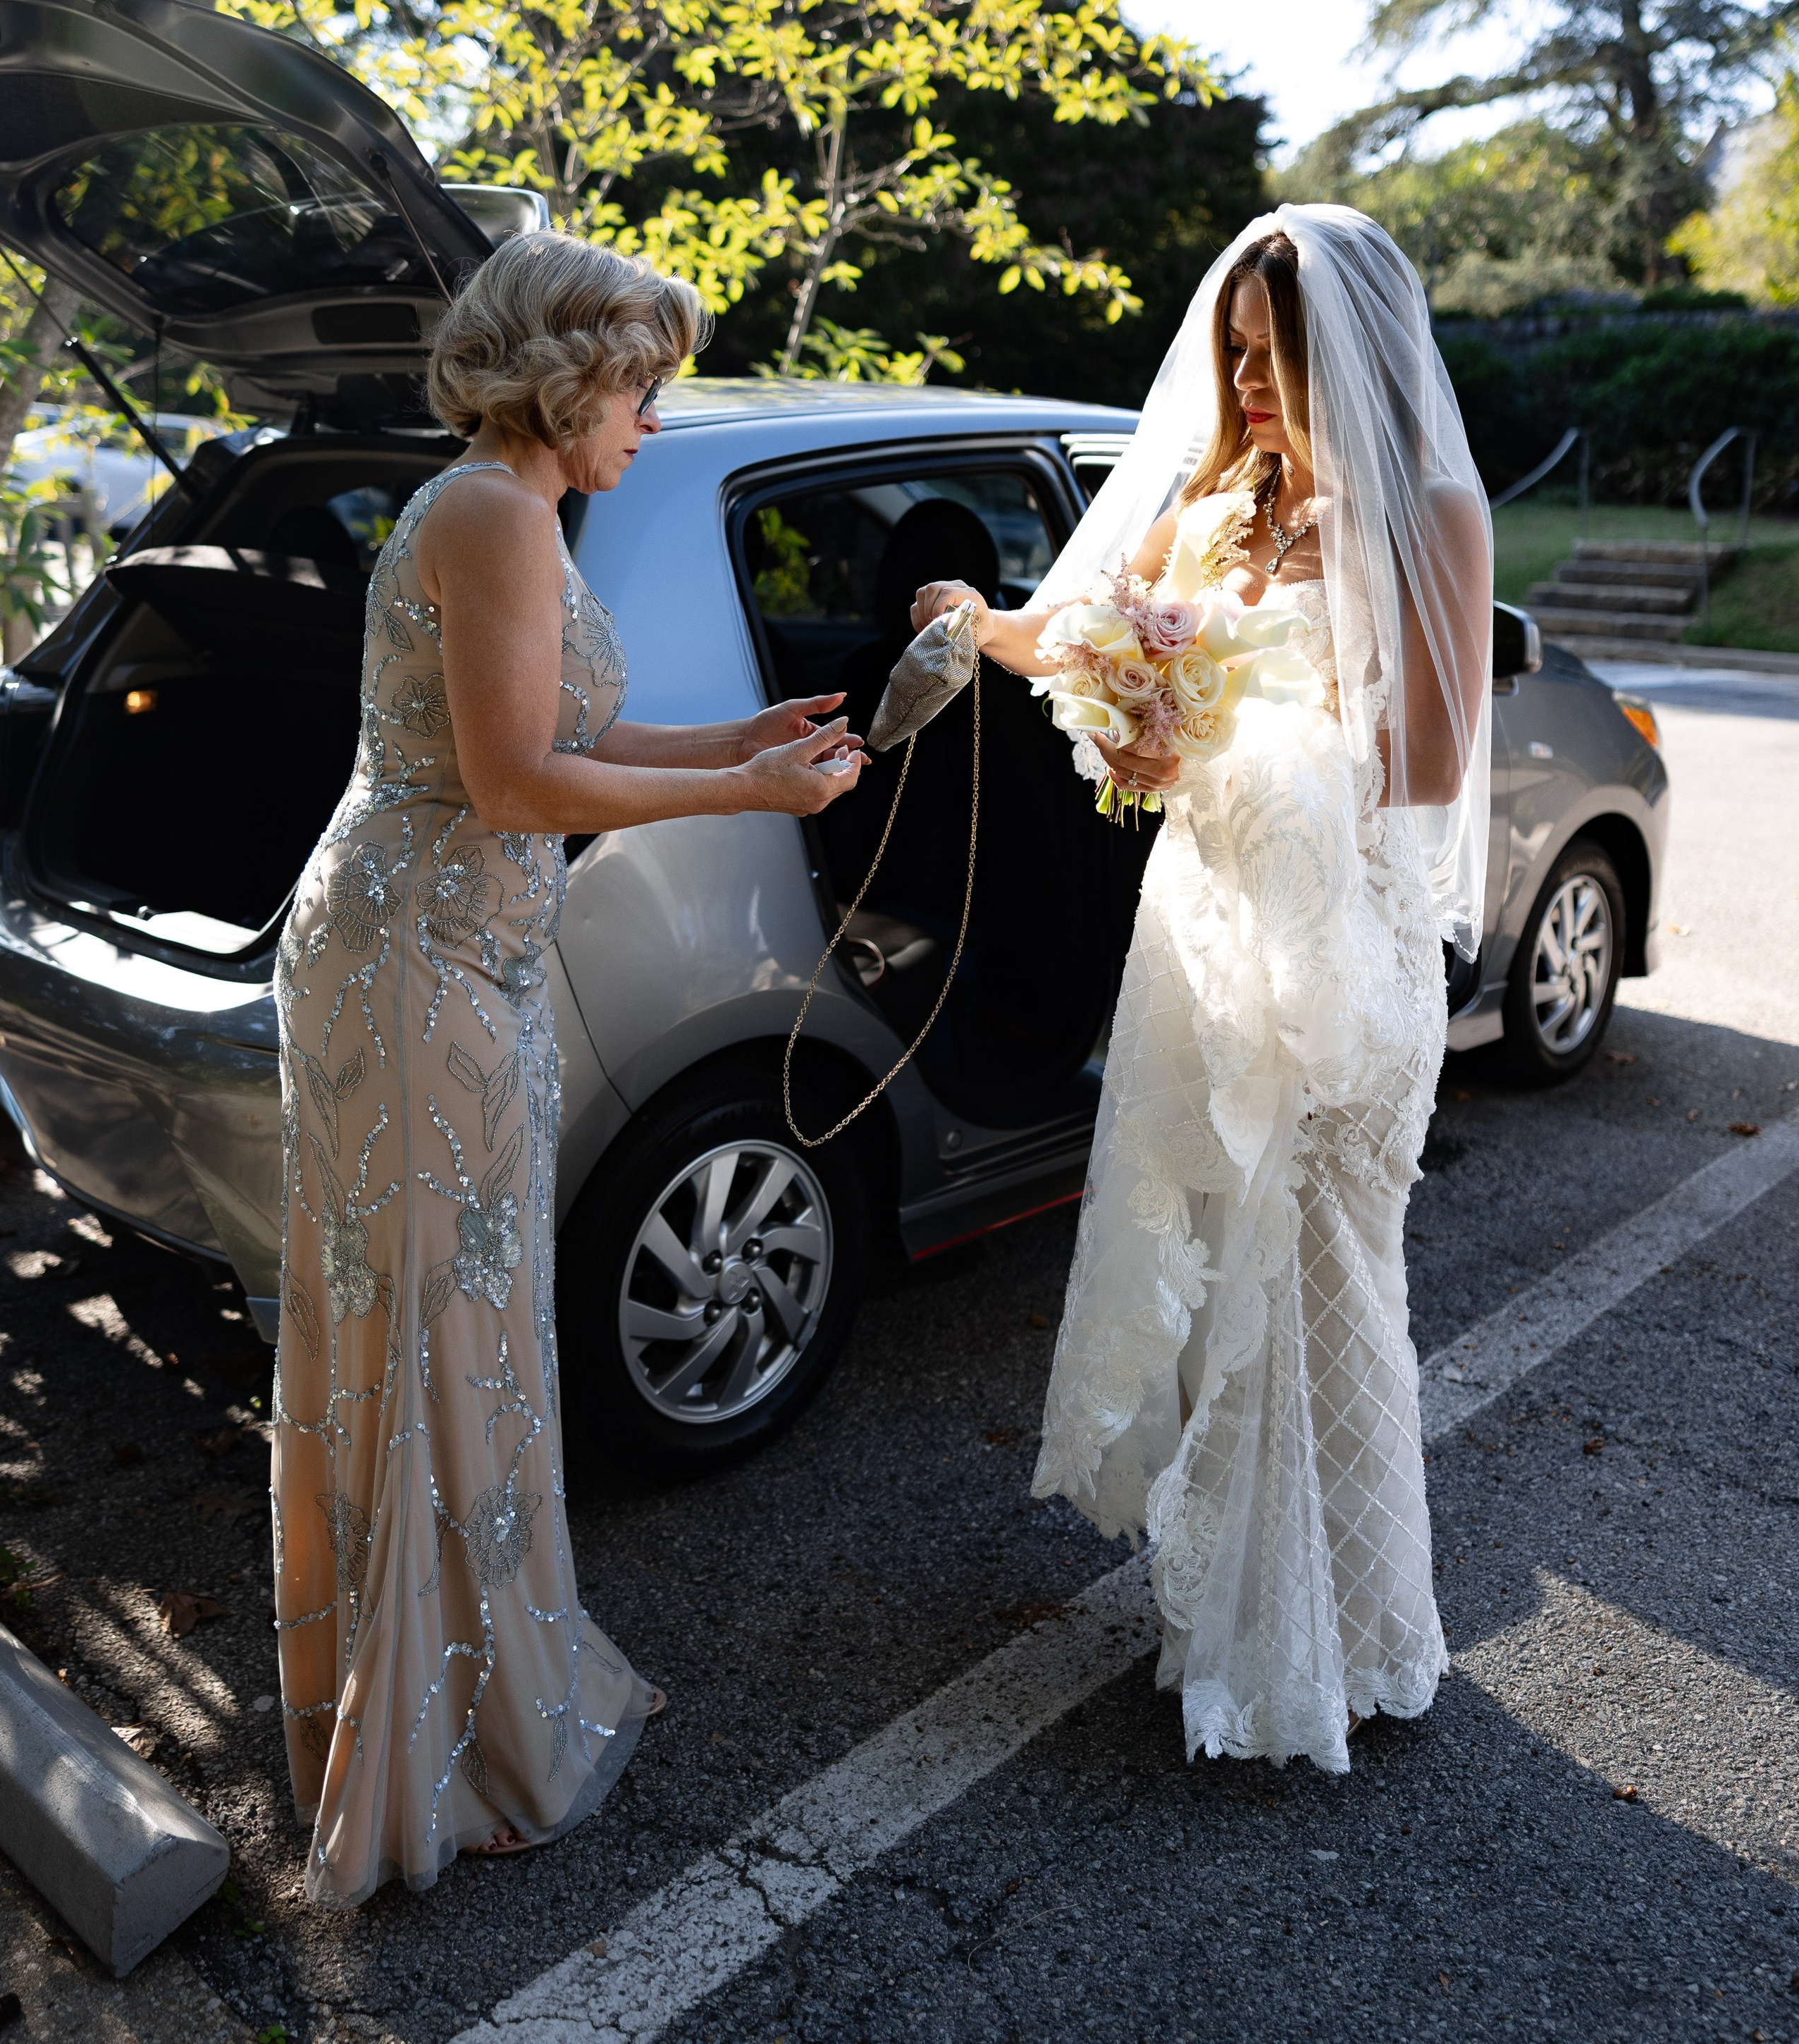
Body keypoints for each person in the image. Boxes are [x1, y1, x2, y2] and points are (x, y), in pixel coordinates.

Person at [272, 234, 866, 1904]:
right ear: (568, 377)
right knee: (436, 1324)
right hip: (409, 968)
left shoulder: (512, 508)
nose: (651, 425)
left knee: (470, 1314)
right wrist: (755, 801)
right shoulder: (488, 510)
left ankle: (467, 1690)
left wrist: (741, 740)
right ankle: (432, 1747)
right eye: (642, 389)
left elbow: (574, 737)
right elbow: (520, 782)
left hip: (456, 957)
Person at [910, 206, 1491, 1773]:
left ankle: (1347, 1634)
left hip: (1341, 950)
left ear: (1349, 358)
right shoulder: (1211, 499)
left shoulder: (1426, 515)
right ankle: (1226, 1627)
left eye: (1270, 359)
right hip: (1206, 933)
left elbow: (1426, 767)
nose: (1241, 384)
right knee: (1216, 1270)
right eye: (1230, 353)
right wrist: (992, 631)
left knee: (1319, 1278)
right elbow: (1083, 645)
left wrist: (1220, 739)